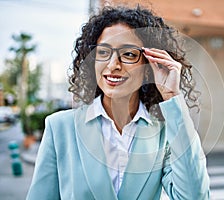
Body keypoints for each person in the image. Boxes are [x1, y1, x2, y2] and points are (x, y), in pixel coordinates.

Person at [26, 5, 210, 200]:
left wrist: (172, 96)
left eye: (129, 54)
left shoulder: (162, 136)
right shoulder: (60, 128)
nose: (113, 65)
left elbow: (194, 196)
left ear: (148, 65)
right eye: (103, 52)